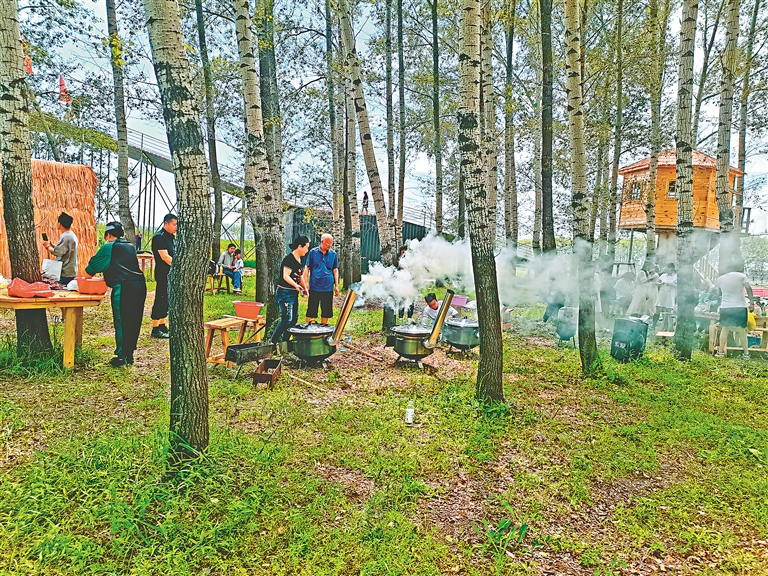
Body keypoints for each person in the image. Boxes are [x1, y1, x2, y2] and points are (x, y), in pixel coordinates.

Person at [85, 221, 147, 367]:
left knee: (122, 321)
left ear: (108, 235)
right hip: (139, 285)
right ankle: (129, 354)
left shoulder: (109, 246)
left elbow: (90, 270)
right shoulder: (130, 246)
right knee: (134, 321)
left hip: (125, 288)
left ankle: (121, 356)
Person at [270, 236, 310, 350]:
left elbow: (300, 276)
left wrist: (304, 288)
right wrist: (295, 285)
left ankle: (285, 344)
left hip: (293, 293)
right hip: (284, 293)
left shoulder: (300, 260)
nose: (307, 250)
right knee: (286, 319)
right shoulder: (289, 259)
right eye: (306, 247)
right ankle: (272, 343)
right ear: (299, 246)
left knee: (294, 319)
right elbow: (285, 276)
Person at [713, 261, 754, 359]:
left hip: (726, 307)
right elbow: (749, 288)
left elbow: (717, 292)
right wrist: (752, 303)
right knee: (741, 330)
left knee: (725, 328)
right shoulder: (741, 276)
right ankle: (746, 354)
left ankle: (720, 352)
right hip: (739, 307)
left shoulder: (720, 279)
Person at [150, 214, 176, 339]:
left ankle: (162, 324)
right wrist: (179, 266)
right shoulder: (159, 238)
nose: (176, 227)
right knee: (160, 299)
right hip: (163, 273)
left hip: (171, 273)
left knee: (167, 300)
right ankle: (155, 327)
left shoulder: (171, 237)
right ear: (166, 223)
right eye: (174, 224)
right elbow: (165, 257)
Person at [304, 233, 340, 324]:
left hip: (328, 287)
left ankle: (323, 330)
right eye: (328, 243)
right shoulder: (313, 252)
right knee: (311, 309)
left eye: (331, 243)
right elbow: (307, 267)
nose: (330, 245)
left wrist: (336, 286)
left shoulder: (333, 254)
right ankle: (308, 329)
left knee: (326, 310)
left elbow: (335, 270)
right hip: (314, 286)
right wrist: (305, 282)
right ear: (322, 242)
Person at [42, 212, 78, 285]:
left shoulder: (66, 237)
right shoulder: (71, 235)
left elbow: (57, 252)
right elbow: (66, 249)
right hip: (70, 271)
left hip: (65, 272)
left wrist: (48, 247)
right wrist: (53, 245)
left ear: (60, 223)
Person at [655, 263, 677, 331]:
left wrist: (670, 284)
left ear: (671, 268)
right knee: (658, 308)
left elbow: (678, 286)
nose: (665, 269)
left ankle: (668, 327)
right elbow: (657, 283)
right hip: (662, 293)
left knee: (668, 310)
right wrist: (660, 284)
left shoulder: (676, 276)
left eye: (666, 267)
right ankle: (654, 325)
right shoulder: (663, 275)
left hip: (670, 294)